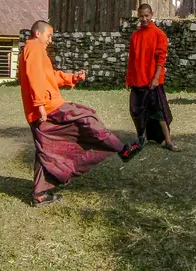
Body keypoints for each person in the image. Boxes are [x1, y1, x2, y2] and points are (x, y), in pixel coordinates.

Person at [18, 20, 143, 207]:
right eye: (49, 35)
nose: (50, 40)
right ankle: (122, 150)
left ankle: (40, 194)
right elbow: (33, 77)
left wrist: (71, 77)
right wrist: (40, 105)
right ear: (38, 33)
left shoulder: (34, 50)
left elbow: (49, 76)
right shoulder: (34, 48)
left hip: (41, 110)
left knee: (47, 151)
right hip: (49, 108)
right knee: (86, 119)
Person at [126, 3, 180, 152]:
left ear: (151, 14)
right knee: (138, 112)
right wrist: (129, 78)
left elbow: (160, 59)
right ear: (138, 16)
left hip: (153, 81)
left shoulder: (159, 34)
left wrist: (156, 78)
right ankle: (142, 138)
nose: (144, 19)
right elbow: (132, 60)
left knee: (159, 112)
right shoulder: (135, 36)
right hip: (138, 80)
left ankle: (168, 140)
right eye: (141, 16)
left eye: (146, 16)